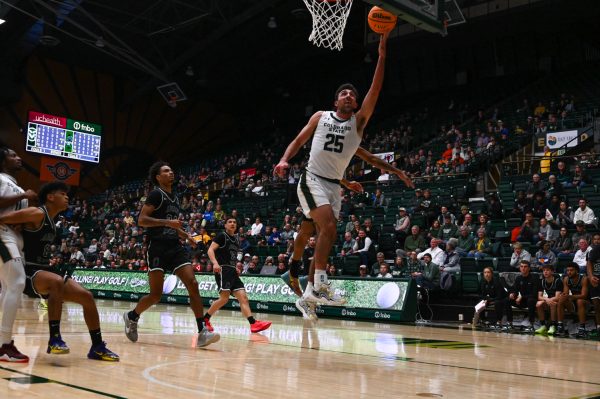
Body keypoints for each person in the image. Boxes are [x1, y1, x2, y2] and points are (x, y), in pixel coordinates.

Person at [274, 32, 413, 306]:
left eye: (353, 94)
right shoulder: (320, 117)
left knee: (329, 233)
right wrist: (283, 159)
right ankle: (318, 283)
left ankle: (309, 293)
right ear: (336, 101)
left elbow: (375, 92)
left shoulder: (357, 125)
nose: (349, 95)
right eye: (343, 93)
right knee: (324, 227)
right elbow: (299, 140)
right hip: (312, 178)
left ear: (356, 104)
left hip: (334, 185)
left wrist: (382, 56)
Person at [0, 182, 118, 360]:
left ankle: (97, 347)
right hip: (29, 270)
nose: (67, 197)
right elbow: (3, 219)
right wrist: (15, 228)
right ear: (50, 197)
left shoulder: (52, 220)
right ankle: (54, 339)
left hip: (46, 269)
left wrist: (21, 226)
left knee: (87, 297)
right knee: (55, 282)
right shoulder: (37, 213)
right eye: (63, 193)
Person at [122, 162, 219, 347]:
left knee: (193, 283)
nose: (171, 172)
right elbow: (141, 220)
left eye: (171, 170)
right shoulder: (156, 194)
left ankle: (202, 332)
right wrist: (167, 222)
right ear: (158, 177)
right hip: (157, 247)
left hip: (175, 247)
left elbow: (173, 226)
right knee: (156, 295)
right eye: (166, 171)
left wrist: (185, 235)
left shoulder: (175, 197)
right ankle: (132, 316)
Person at [0, 147, 37, 362]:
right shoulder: (2, 180)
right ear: (3, 161)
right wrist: (24, 196)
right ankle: (5, 345)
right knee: (17, 282)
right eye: (13, 155)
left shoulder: (15, 184)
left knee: (7, 287)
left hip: (13, 236)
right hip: (2, 235)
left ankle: (2, 341)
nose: (18, 157)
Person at [203, 217, 271, 333]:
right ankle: (205, 319)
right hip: (222, 269)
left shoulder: (236, 239)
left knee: (243, 297)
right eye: (230, 222)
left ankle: (253, 324)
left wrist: (235, 268)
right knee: (224, 299)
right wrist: (215, 263)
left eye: (234, 222)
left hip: (232, 271)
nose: (232, 224)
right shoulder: (222, 236)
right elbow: (210, 250)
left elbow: (232, 257)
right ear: (225, 225)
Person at [558, 262, 589, 338]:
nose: (569, 272)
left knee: (580, 301)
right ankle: (560, 326)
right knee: (561, 299)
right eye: (567, 270)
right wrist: (564, 295)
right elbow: (566, 293)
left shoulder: (584, 279)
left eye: (571, 270)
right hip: (574, 302)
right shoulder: (566, 279)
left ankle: (582, 329)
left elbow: (584, 295)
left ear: (576, 271)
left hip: (586, 303)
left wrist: (570, 296)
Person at [507, 260, 538, 333]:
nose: (523, 268)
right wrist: (512, 294)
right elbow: (515, 290)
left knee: (531, 300)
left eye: (525, 267)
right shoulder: (518, 278)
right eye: (521, 266)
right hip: (521, 301)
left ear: (529, 268)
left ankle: (531, 324)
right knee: (507, 300)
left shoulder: (534, 279)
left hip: (530, 300)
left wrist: (522, 297)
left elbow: (534, 294)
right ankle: (510, 323)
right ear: (519, 268)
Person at [534, 263, 562, 335]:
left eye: (547, 270)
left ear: (552, 272)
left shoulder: (557, 281)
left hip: (557, 302)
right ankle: (543, 325)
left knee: (553, 304)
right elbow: (539, 297)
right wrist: (547, 299)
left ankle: (553, 326)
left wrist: (549, 300)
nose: (545, 272)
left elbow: (557, 297)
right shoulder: (542, 281)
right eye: (544, 270)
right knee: (538, 304)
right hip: (548, 300)